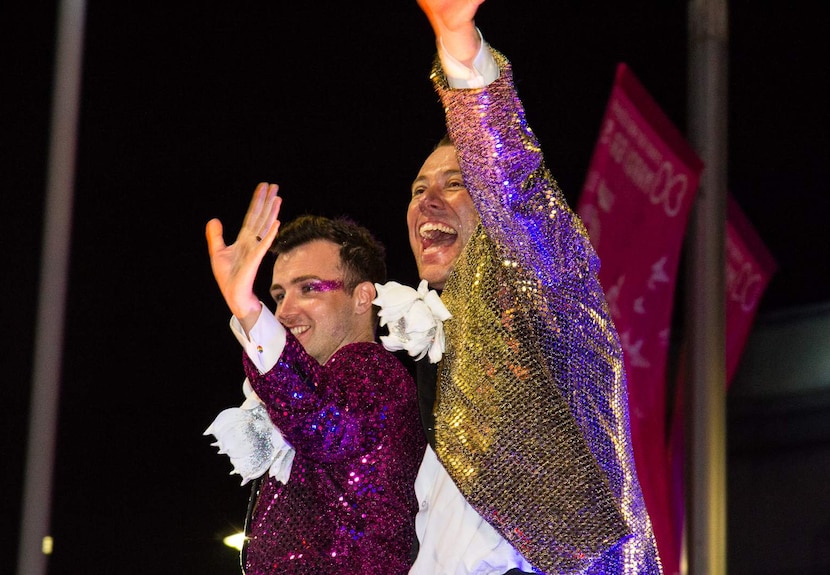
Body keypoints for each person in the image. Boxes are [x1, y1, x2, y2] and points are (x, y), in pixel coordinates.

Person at [380, 1, 665, 573]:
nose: (428, 200)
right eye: (417, 189)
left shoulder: (544, 278)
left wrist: (464, 59)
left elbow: (513, 183)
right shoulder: (429, 346)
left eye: (455, 184)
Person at [203, 182, 426, 574]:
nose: (284, 311)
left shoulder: (373, 372)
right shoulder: (312, 387)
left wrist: (248, 309)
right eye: (276, 295)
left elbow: (324, 422)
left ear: (362, 297)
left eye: (308, 289)